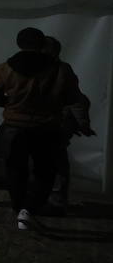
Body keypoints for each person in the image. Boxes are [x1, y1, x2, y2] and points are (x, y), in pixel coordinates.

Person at [0, 27, 91, 230]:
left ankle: (18, 208)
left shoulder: (4, 68)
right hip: (47, 128)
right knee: (46, 170)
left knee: (15, 169)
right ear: (41, 44)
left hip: (14, 127)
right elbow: (72, 98)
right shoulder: (61, 69)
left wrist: (12, 104)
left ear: (19, 43)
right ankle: (29, 209)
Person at [41, 36, 94, 215]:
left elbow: (75, 100)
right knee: (57, 163)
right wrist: (83, 124)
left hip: (44, 123)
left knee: (49, 162)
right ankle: (55, 200)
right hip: (57, 124)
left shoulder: (37, 69)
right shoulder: (63, 69)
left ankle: (46, 200)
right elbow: (76, 100)